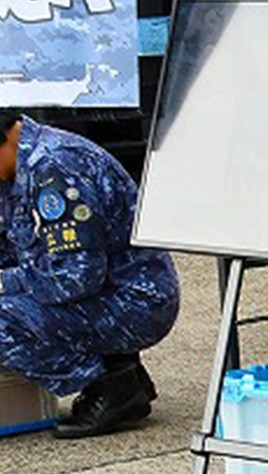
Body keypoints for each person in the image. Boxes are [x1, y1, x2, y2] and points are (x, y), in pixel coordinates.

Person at [0, 111, 178, 439]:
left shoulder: (57, 166)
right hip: (95, 294)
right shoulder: (16, 168)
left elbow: (75, 276)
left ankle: (110, 384)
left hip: (133, 302)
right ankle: (121, 370)